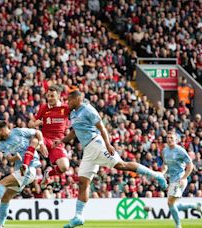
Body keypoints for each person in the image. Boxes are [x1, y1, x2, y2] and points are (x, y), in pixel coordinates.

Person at [54, 90, 167, 228]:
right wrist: (62, 141)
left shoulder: (88, 110)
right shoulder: (73, 113)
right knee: (83, 182)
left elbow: (101, 127)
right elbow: (75, 131)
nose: (68, 102)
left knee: (121, 165)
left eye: (70, 100)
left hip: (97, 143)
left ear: (78, 99)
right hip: (88, 151)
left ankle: (157, 175)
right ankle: (78, 216)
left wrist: (107, 144)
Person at [0, 120, 47, 228]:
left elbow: (37, 133)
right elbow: (10, 160)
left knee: (3, 182)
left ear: (3, 130)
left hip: (30, 168)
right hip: (20, 170)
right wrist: (16, 157)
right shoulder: (1, 145)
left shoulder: (18, 132)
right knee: (5, 197)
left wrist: (41, 143)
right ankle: (0, 225)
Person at [28, 84, 70, 189]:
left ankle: (48, 174)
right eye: (48, 96)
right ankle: (25, 167)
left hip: (57, 143)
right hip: (45, 139)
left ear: (59, 96)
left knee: (64, 167)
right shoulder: (44, 108)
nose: (49, 98)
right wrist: (35, 124)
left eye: (52, 96)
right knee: (33, 142)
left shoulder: (65, 108)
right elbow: (30, 123)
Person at [161, 132, 202, 228]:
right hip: (172, 180)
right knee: (173, 204)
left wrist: (184, 177)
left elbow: (190, 165)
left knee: (170, 203)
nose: (169, 139)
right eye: (167, 138)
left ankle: (178, 225)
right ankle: (195, 206)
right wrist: (162, 173)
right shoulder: (164, 151)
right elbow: (165, 165)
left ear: (176, 139)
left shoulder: (180, 150)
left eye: (171, 138)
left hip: (180, 179)